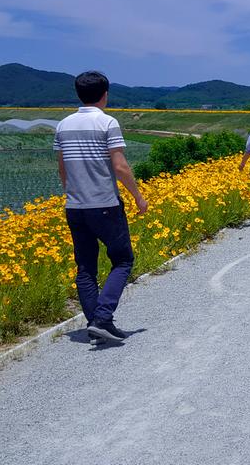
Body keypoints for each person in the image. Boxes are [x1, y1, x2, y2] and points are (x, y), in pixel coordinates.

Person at [55, 71, 148, 345]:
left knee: (86, 267)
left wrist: (73, 194)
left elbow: (62, 169)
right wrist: (138, 197)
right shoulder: (107, 122)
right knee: (123, 259)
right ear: (105, 95)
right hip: (105, 204)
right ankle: (103, 318)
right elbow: (120, 166)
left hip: (75, 206)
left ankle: (96, 323)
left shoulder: (63, 125)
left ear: (78, 94)